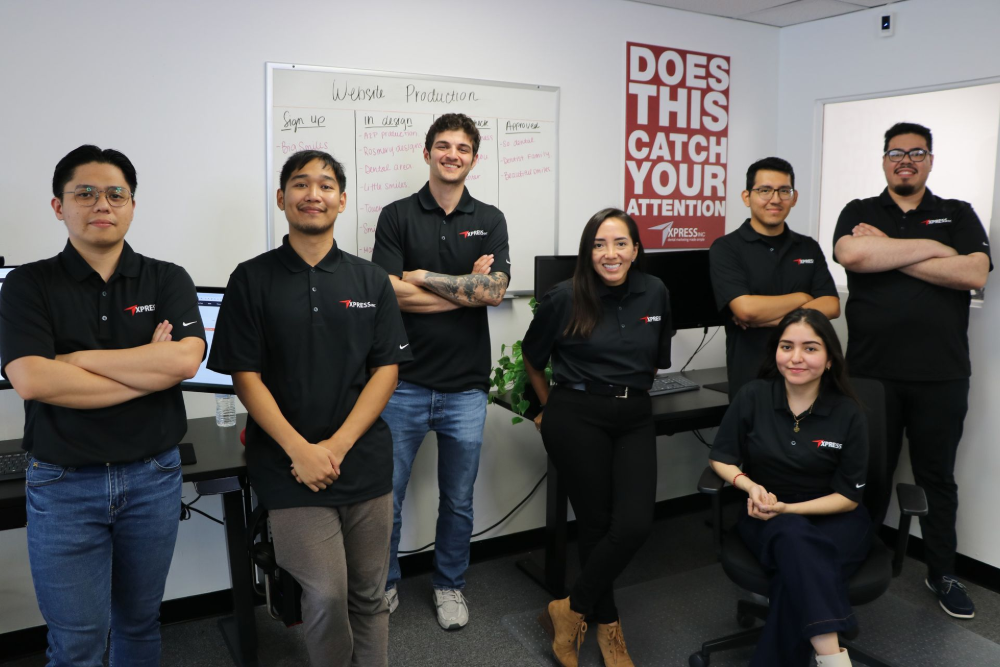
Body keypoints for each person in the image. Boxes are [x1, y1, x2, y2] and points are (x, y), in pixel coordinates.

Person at [0, 145, 206, 666]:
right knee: (76, 643)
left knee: (139, 625)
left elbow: (183, 361)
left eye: (116, 193)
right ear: (58, 206)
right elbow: (31, 379)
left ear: (132, 205)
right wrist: (146, 371)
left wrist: (78, 360)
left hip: (152, 478)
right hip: (64, 485)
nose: (102, 204)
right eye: (85, 192)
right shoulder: (28, 284)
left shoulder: (168, 278)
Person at [208, 150, 411, 667]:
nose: (312, 194)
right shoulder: (252, 279)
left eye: (325, 185)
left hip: (362, 462)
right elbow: (244, 375)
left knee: (369, 594)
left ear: (342, 201)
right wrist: (301, 450)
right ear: (282, 198)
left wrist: (336, 446)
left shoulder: (371, 281)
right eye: (300, 184)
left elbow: (386, 370)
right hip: (287, 465)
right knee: (324, 596)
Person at [833, 122, 990, 619]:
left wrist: (892, 251)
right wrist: (936, 249)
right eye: (897, 152)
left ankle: (941, 572)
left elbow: (973, 272)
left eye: (917, 152)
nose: (906, 160)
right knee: (864, 474)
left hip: (941, 375)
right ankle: (852, 558)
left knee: (936, 478)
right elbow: (852, 254)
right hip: (870, 375)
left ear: (930, 160)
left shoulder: (957, 213)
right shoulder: (859, 213)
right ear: (883, 160)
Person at [371, 112, 510, 629]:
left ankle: (449, 586)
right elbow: (387, 293)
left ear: (475, 158)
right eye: (443, 146)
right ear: (426, 151)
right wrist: (463, 291)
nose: (453, 154)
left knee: (457, 500)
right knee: (386, 497)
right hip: (401, 381)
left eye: (463, 148)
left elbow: (493, 291)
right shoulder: (396, 215)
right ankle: (383, 583)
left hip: (466, 389)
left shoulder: (490, 217)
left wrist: (423, 278)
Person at [522, 208, 672, 667]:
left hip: (633, 414)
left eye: (620, 243)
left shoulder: (656, 292)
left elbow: (655, 361)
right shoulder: (564, 297)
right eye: (599, 244)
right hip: (577, 414)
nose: (611, 253)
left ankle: (568, 610)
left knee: (633, 524)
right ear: (588, 252)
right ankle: (609, 629)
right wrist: (548, 407)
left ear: (636, 249)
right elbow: (533, 356)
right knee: (594, 522)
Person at [709, 308, 870, 667]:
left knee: (793, 578)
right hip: (764, 512)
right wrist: (749, 487)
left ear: (829, 359)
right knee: (799, 552)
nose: (796, 358)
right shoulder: (753, 396)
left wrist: (789, 510)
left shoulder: (848, 412)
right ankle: (833, 657)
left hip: (836, 517)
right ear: (775, 352)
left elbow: (847, 497)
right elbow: (721, 457)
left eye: (810, 348)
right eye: (787, 346)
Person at [710, 157, 839, 398]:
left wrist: (770, 319)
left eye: (784, 191)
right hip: (751, 379)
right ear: (747, 197)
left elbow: (831, 305)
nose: (775, 199)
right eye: (765, 190)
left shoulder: (808, 247)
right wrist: (803, 297)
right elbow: (746, 309)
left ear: (794, 197)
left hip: (806, 380)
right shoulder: (726, 248)